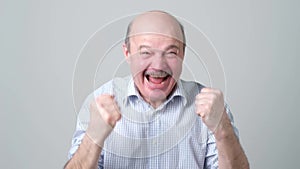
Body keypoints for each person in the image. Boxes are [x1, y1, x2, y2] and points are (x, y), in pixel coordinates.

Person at [64, 10, 249, 169]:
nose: (158, 65)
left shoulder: (210, 106)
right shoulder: (99, 104)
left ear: (183, 54)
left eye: (171, 52)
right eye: (145, 52)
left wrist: (222, 129)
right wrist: (93, 137)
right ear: (127, 53)